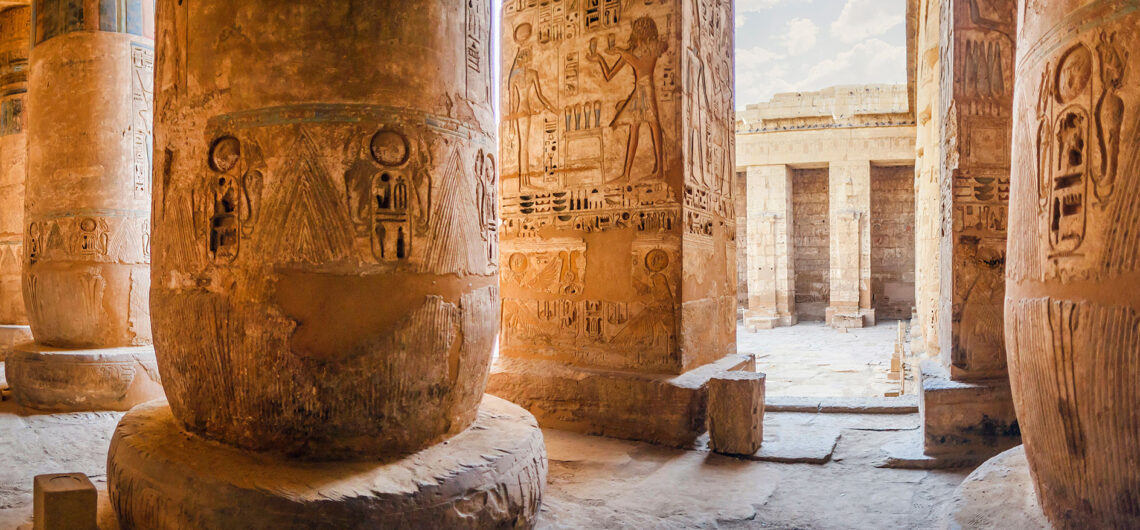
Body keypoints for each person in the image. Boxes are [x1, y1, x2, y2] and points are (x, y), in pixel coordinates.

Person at [588, 16, 668, 182]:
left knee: (654, 125)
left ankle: (660, 169)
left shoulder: (652, 48)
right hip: (640, 90)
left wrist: (621, 52)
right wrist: (601, 59)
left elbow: (640, 66)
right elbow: (609, 75)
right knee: (635, 128)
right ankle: (626, 174)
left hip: (647, 87)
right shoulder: (632, 52)